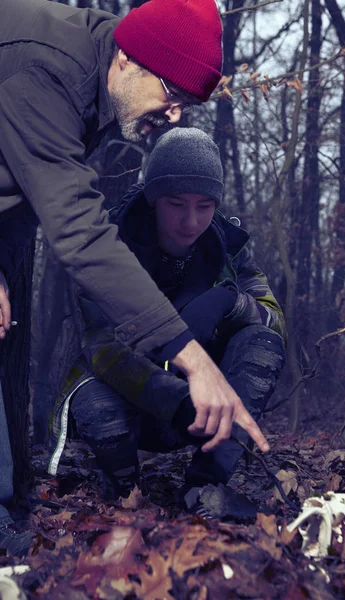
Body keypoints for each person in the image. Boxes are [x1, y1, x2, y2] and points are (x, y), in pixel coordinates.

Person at [0, 0, 269, 554]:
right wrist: (193, 361)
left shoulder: (98, 85)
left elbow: (18, 189)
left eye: (185, 103)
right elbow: (76, 230)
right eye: (171, 94)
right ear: (128, 60)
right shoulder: (46, 71)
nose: (174, 115)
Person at [48, 128, 286, 511]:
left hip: (207, 407)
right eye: (176, 203)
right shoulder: (108, 242)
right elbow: (103, 348)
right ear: (154, 198)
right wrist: (177, 400)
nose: (191, 221)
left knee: (262, 343)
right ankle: (124, 489)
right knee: (94, 401)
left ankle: (205, 486)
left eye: (205, 205)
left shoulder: (229, 245)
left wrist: (228, 302)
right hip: (138, 399)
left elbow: (275, 322)